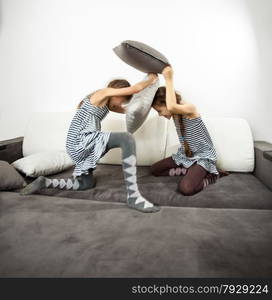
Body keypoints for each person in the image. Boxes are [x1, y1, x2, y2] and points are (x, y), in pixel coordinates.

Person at [20, 74, 161, 213]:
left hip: (76, 144)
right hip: (81, 140)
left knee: (86, 184)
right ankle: (133, 197)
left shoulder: (106, 104)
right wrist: (151, 78)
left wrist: (151, 105)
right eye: (123, 99)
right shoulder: (102, 93)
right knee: (126, 138)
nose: (122, 103)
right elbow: (136, 89)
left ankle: (45, 182)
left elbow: (130, 112)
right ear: (116, 93)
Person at [150, 66, 229, 196]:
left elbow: (171, 106)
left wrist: (168, 78)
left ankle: (213, 175)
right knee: (154, 169)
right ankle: (187, 171)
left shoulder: (189, 109)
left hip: (203, 157)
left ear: (167, 103)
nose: (159, 115)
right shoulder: (174, 115)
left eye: (159, 110)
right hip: (186, 155)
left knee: (186, 188)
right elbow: (170, 107)